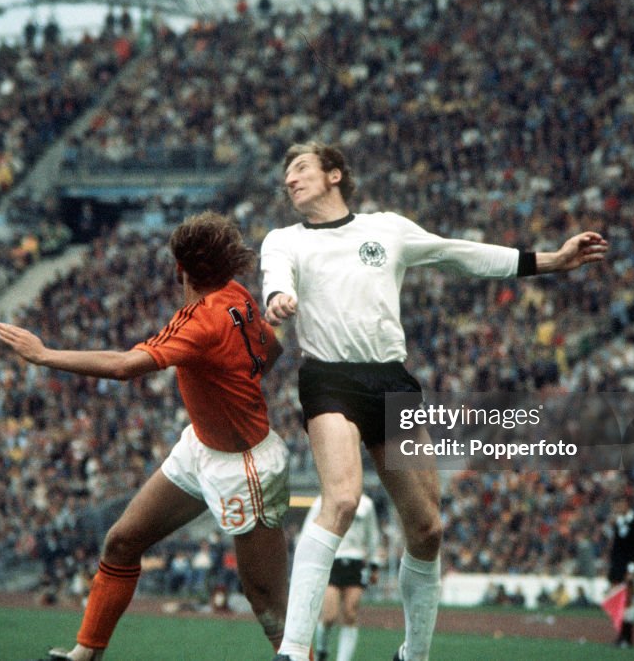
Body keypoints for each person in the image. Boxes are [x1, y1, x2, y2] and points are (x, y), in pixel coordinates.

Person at [261, 141, 609, 661]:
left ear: (335, 174)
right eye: (287, 174)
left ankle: (413, 655)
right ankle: (293, 651)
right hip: (328, 379)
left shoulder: (387, 229)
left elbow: (459, 254)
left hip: (391, 382)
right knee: (341, 499)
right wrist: (277, 298)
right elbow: (275, 277)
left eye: (301, 168)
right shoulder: (284, 239)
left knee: (427, 530)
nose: (290, 180)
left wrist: (551, 261)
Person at [0, 211, 291, 660]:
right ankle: (85, 654)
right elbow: (272, 349)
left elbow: (123, 367)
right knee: (122, 541)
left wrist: (44, 355)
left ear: (180, 270)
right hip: (201, 447)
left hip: (244, 466)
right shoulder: (238, 294)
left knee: (268, 607)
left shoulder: (198, 321)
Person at [305, 493, 381, 661]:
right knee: (329, 616)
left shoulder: (366, 504)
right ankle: (322, 651)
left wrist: (374, 564)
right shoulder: (322, 501)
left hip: (355, 562)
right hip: (330, 560)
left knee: (350, 613)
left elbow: (372, 534)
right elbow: (308, 531)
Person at [608, 494, 634, 648]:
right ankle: (621, 636)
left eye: (620, 504)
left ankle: (628, 637)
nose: (618, 507)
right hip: (617, 567)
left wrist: (631, 568)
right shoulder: (618, 523)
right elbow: (616, 548)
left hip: (627, 568)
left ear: (627, 505)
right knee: (618, 602)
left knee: (627, 602)